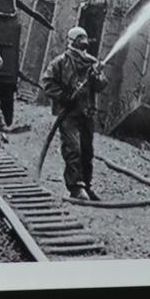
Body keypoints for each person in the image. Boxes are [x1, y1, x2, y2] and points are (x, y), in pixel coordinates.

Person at [40, 26, 107, 200]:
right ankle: (76, 187)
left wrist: (97, 76)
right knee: (73, 149)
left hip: (87, 113)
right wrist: (64, 96)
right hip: (68, 114)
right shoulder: (60, 62)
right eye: (80, 37)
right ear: (72, 41)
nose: (83, 40)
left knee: (87, 150)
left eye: (85, 37)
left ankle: (87, 185)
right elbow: (47, 83)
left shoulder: (92, 62)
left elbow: (101, 86)